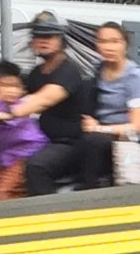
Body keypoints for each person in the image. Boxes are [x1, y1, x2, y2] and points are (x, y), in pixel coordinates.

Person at [15, 11, 95, 196]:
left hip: (70, 144)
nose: (43, 40)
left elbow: (43, 100)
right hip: (43, 140)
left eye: (49, 36)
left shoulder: (68, 71)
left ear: (61, 40)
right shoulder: (36, 73)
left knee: (37, 166)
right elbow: (15, 94)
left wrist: (9, 112)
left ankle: (48, 212)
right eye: (38, 36)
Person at [78, 20, 140, 187]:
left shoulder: (135, 77)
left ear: (125, 45)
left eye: (115, 42)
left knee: (93, 142)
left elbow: (137, 126)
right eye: (103, 41)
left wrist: (99, 129)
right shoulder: (97, 69)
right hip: (100, 138)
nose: (109, 47)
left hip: (128, 142)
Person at [0, 60, 47, 201]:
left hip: (27, 153)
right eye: (5, 86)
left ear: (23, 90)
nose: (10, 91)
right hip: (7, 156)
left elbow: (7, 116)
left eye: (15, 86)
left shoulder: (22, 106)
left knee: (4, 191)